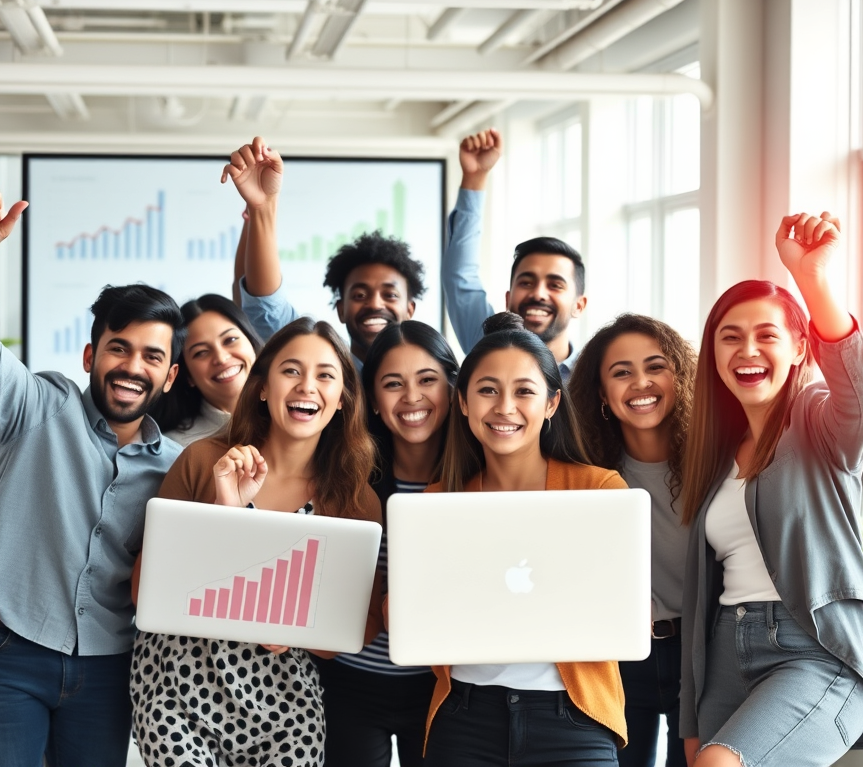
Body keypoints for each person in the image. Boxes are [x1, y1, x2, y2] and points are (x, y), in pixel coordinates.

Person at [0, 188, 184, 766]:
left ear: (170, 377)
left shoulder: (175, 466)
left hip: (106, 663)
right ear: (89, 355)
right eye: (118, 348)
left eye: (152, 356)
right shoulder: (39, 407)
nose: (132, 367)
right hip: (4, 650)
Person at [679, 213, 863, 767]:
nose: (747, 350)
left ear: (800, 347)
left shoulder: (819, 423)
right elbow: (701, 597)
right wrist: (690, 717)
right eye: (731, 337)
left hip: (816, 648)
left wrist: (813, 278)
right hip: (727, 647)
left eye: (766, 335)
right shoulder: (715, 452)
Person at [130, 316, 384, 767]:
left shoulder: (354, 498)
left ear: (343, 400)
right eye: (291, 370)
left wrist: (293, 631)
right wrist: (224, 510)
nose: (307, 386)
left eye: (325, 375)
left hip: (287, 701)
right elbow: (142, 590)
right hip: (179, 684)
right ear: (263, 387)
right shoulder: (205, 460)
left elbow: (357, 630)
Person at [422, 312, 628, 767]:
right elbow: (403, 614)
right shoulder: (437, 503)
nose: (504, 407)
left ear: (552, 403)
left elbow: (625, 611)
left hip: (574, 719)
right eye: (488, 390)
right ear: (462, 401)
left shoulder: (598, 490)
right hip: (464, 719)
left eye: (524, 392)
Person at [315, 320, 459, 766]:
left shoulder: (477, 481)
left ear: (454, 391)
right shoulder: (345, 476)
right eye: (393, 384)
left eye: (428, 380)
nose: (412, 397)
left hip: (441, 685)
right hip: (348, 680)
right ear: (373, 401)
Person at [570, 314, 698, 767]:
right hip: (620, 657)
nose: (640, 382)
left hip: (700, 654)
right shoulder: (586, 473)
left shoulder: (715, 459)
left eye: (655, 366)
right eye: (621, 372)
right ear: (603, 395)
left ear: (680, 376)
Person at [224, 137, 427, 369]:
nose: (374, 304)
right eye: (359, 295)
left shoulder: (433, 375)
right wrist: (262, 208)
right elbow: (266, 309)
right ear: (341, 309)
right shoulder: (327, 367)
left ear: (410, 309)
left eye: (390, 295)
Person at [443, 128, 587, 380]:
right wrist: (475, 178)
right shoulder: (487, 346)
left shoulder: (593, 377)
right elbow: (459, 277)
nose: (538, 293)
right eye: (526, 282)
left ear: (579, 304)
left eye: (555, 284)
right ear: (508, 298)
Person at [152, 292, 264, 446]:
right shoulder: (175, 447)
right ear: (187, 375)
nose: (221, 358)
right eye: (201, 352)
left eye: (230, 340)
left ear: (252, 343)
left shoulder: (292, 419)